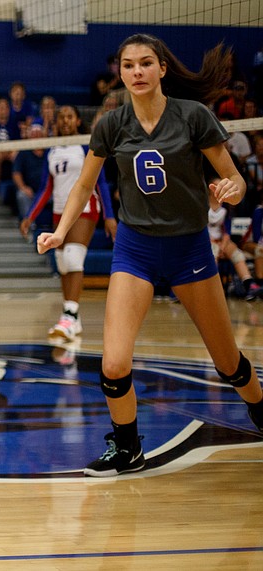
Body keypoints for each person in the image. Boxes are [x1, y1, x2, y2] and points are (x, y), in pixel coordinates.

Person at [36, 34, 263, 478]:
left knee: (227, 362)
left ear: (162, 69)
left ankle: (259, 406)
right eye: (128, 65)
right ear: (119, 73)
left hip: (190, 248)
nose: (136, 72)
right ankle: (127, 448)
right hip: (135, 249)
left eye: (145, 64)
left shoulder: (193, 117)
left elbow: (234, 179)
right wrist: (61, 232)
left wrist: (228, 189)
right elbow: (83, 185)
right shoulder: (111, 125)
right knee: (114, 363)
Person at [22, 105, 116, 341]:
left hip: (86, 210)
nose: (65, 120)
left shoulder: (86, 144)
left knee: (74, 258)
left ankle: (69, 314)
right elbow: (46, 188)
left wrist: (109, 216)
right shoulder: (52, 150)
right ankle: (72, 318)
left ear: (77, 121)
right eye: (61, 117)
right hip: (59, 212)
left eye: (69, 116)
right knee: (63, 264)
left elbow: (101, 182)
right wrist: (30, 215)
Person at [206, 186, 260, 300]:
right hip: (207, 239)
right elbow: (201, 228)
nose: (219, 187)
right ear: (210, 188)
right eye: (216, 185)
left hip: (222, 240)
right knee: (213, 251)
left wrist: (223, 246)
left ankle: (249, 284)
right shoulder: (203, 204)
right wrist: (216, 244)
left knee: (237, 254)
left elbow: (227, 231)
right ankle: (213, 289)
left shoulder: (225, 206)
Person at [11, 123, 48, 223]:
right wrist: (23, 187)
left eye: (38, 135)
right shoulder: (23, 153)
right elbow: (16, 173)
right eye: (33, 135)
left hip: (49, 190)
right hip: (31, 191)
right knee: (21, 195)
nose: (36, 137)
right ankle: (30, 227)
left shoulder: (50, 151)